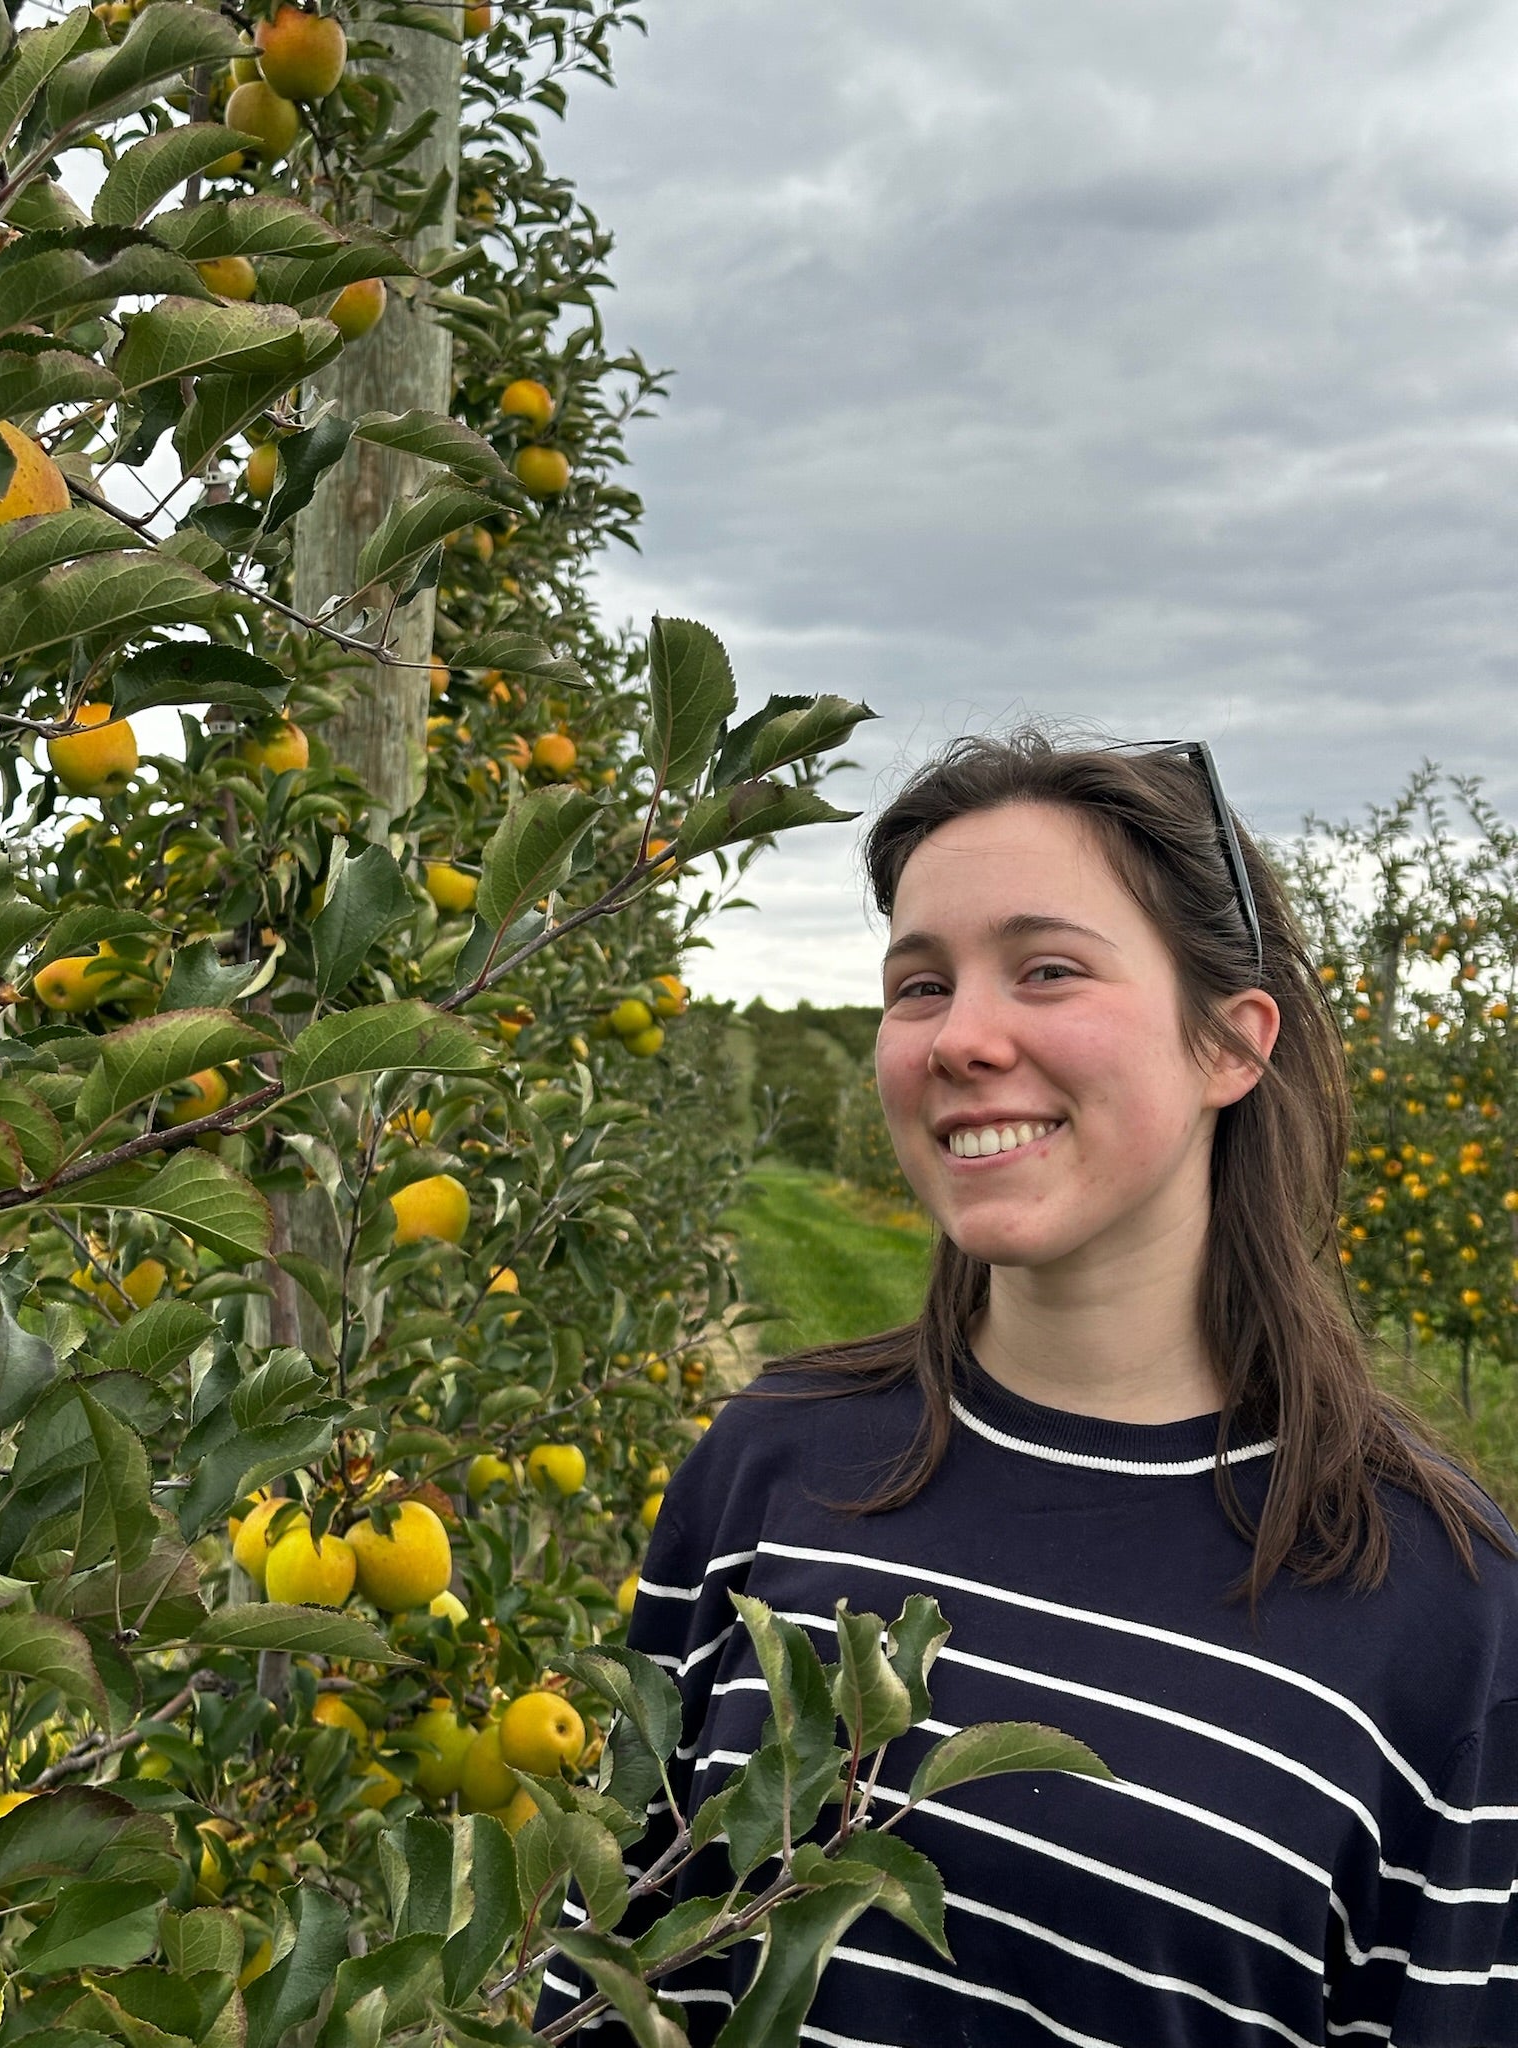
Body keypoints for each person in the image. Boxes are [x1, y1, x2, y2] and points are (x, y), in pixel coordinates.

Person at [535, 731, 1518, 2047]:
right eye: (919, 985)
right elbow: (605, 1965)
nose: (964, 1038)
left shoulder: (1445, 1611)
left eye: (1046, 970)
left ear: (1229, 1045)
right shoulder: (769, 1464)